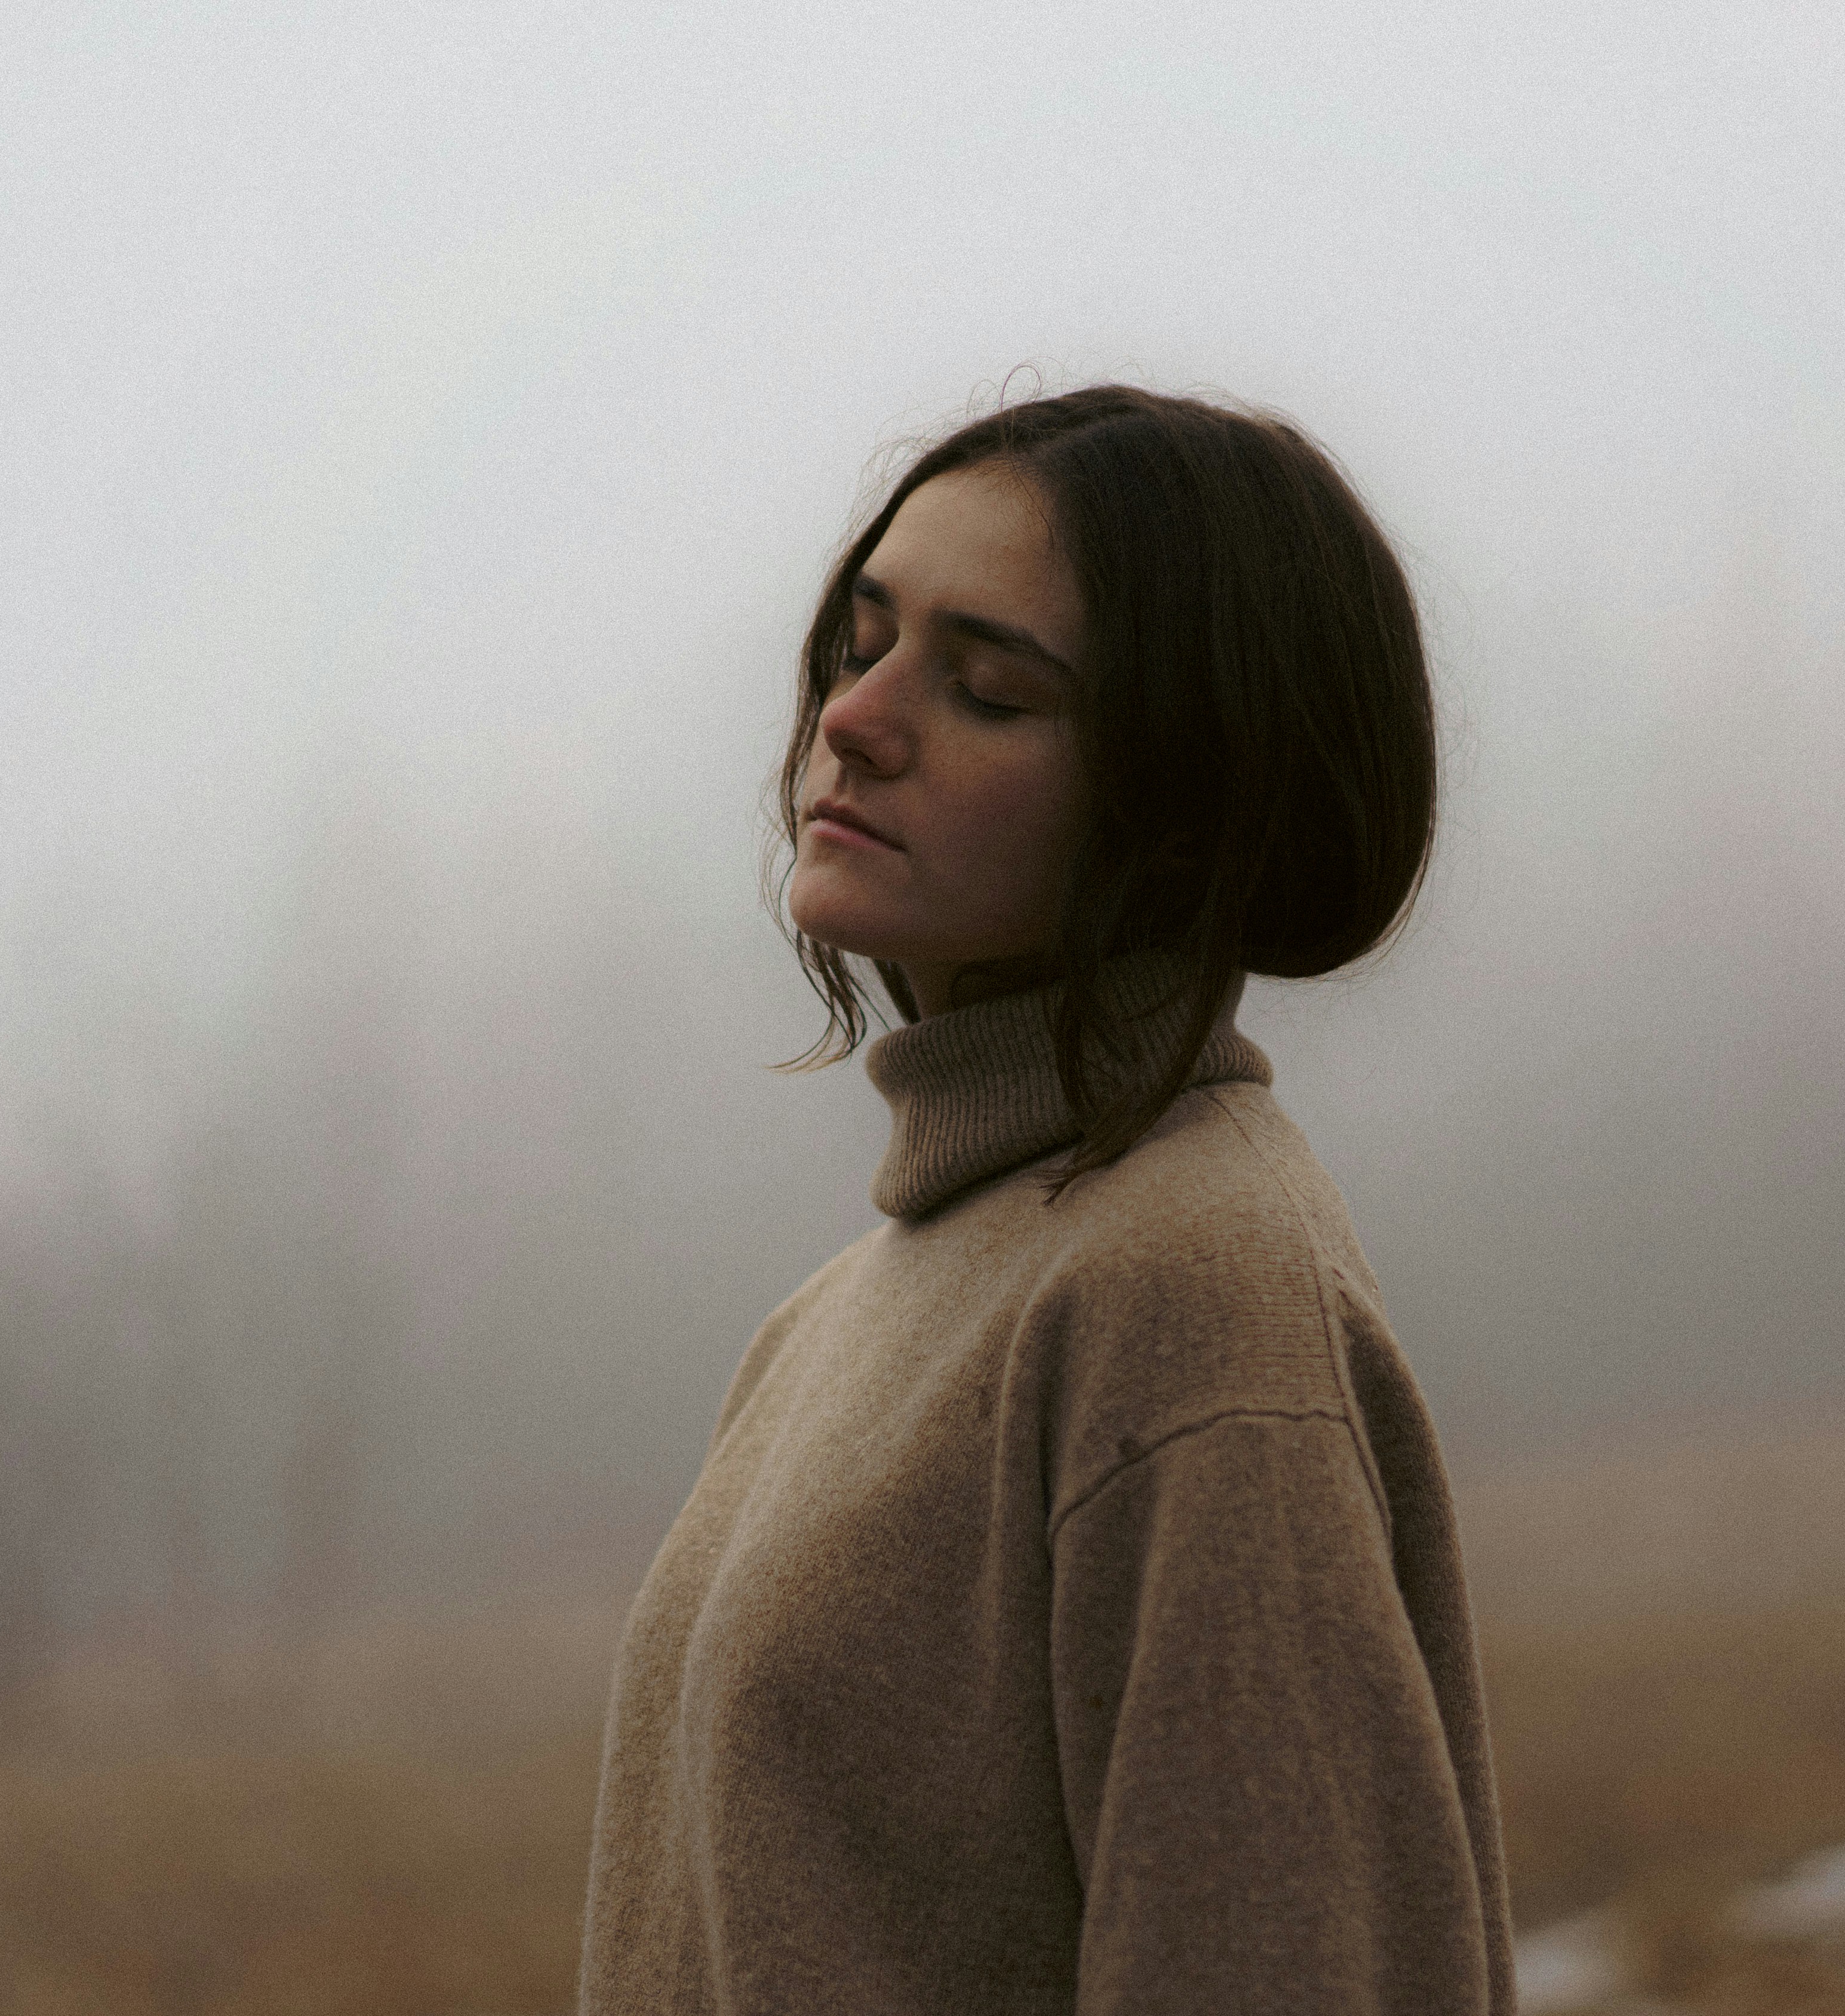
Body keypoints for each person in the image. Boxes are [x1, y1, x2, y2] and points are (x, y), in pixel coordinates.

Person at [577, 383, 1514, 2014]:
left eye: (988, 687)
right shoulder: (840, 1320)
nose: (856, 719)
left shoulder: (1183, 1292)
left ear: (1181, 800)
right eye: (858, 643)